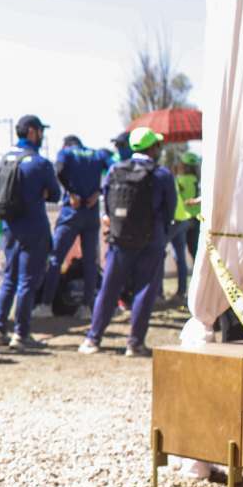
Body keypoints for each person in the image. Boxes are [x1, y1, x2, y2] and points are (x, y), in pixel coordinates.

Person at [78, 127, 177, 357]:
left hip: (119, 239)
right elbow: (170, 210)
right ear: (152, 148)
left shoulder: (114, 170)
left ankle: (93, 339)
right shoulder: (162, 174)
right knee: (145, 289)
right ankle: (134, 343)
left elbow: (107, 204)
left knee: (109, 288)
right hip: (151, 240)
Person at [0, 115, 61, 350]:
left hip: (10, 228)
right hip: (34, 228)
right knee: (27, 282)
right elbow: (55, 194)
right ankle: (21, 334)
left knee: (9, 279)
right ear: (32, 132)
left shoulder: (4, 160)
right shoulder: (39, 163)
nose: (41, 136)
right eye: (40, 131)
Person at [33, 134, 110, 320]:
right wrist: (98, 192)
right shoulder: (97, 154)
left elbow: (58, 170)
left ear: (66, 144)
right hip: (91, 212)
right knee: (91, 262)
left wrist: (71, 191)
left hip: (71, 212)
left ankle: (46, 305)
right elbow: (113, 170)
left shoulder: (66, 153)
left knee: (55, 258)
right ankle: (86, 307)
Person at [164, 150, 202, 304]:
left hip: (182, 220)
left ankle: (182, 291)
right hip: (197, 220)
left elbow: (179, 198)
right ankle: (197, 289)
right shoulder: (197, 179)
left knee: (179, 256)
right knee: (196, 256)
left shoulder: (180, 179)